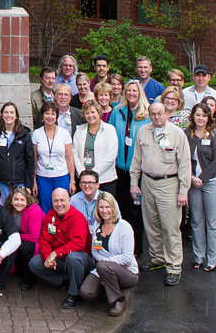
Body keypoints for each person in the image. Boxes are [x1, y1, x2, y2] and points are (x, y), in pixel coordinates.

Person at [130, 103, 192, 286]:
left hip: (169, 184)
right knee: (151, 224)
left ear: (167, 114)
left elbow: (185, 164)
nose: (157, 117)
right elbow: (136, 159)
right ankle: (158, 258)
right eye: (153, 114)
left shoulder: (177, 134)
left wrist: (183, 191)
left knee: (170, 226)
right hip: (147, 182)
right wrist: (134, 182)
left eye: (160, 113)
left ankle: (174, 266)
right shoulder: (143, 131)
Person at [28, 188, 93, 308]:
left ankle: (75, 294)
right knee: (34, 263)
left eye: (62, 200)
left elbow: (78, 243)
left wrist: (55, 254)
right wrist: (48, 256)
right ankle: (64, 280)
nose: (59, 204)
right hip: (60, 258)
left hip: (79, 258)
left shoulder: (77, 218)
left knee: (73, 258)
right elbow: (45, 239)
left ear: (69, 200)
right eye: (55, 201)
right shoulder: (50, 215)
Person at [107, 80, 151, 256]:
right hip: (119, 168)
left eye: (135, 90)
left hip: (137, 170)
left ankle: (137, 249)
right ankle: (122, 246)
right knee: (122, 209)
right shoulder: (117, 111)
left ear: (140, 93)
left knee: (137, 210)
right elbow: (110, 135)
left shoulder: (146, 114)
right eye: (128, 90)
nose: (131, 93)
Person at [79, 193, 138, 317]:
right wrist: (105, 264)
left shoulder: (124, 227)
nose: (104, 211)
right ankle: (109, 288)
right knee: (86, 292)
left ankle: (119, 300)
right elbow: (94, 251)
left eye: (107, 207)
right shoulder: (96, 226)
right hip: (104, 268)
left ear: (113, 207)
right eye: (101, 207)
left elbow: (127, 257)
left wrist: (105, 264)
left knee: (103, 266)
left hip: (127, 272)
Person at [184, 103, 216, 272]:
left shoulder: (215, 135)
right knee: (196, 220)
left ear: (209, 117)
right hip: (193, 183)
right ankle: (198, 256)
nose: (200, 118)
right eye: (197, 115)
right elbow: (183, 158)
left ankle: (213, 258)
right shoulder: (187, 134)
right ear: (192, 116)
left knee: (212, 222)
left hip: (212, 182)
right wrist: (191, 178)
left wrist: (201, 178)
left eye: (204, 115)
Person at [32, 102, 76, 213]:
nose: (50, 117)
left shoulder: (64, 133)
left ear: (57, 116)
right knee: (46, 207)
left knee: (62, 207)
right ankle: (48, 229)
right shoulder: (36, 134)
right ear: (42, 116)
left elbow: (70, 158)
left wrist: (72, 180)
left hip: (62, 177)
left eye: (53, 114)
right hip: (43, 177)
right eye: (47, 113)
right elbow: (34, 159)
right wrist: (34, 181)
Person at [0, 102, 35, 202]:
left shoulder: (24, 135)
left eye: (11, 112)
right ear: (2, 115)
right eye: (6, 112)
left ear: (16, 116)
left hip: (19, 183)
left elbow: (30, 161)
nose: (9, 115)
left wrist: (28, 184)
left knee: (18, 211)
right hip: (0, 182)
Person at [73, 102, 119, 195]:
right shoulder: (80, 130)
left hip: (105, 179)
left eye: (93, 112)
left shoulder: (109, 129)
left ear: (99, 113)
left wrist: (93, 174)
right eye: (87, 113)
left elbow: (111, 155)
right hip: (84, 181)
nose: (90, 115)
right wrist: (83, 173)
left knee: (104, 208)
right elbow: (74, 153)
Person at [6, 187, 43, 290]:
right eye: (16, 199)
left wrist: (14, 237)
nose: (19, 203)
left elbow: (34, 237)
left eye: (22, 200)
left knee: (25, 247)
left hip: (38, 241)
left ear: (27, 201)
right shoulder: (8, 211)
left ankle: (29, 278)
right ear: (11, 201)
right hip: (21, 238)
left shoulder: (34, 210)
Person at [71, 170, 105, 234]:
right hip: (79, 235)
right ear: (80, 185)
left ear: (97, 185)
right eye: (84, 183)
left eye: (90, 183)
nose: (87, 186)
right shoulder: (73, 201)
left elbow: (116, 221)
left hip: (101, 235)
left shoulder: (106, 199)